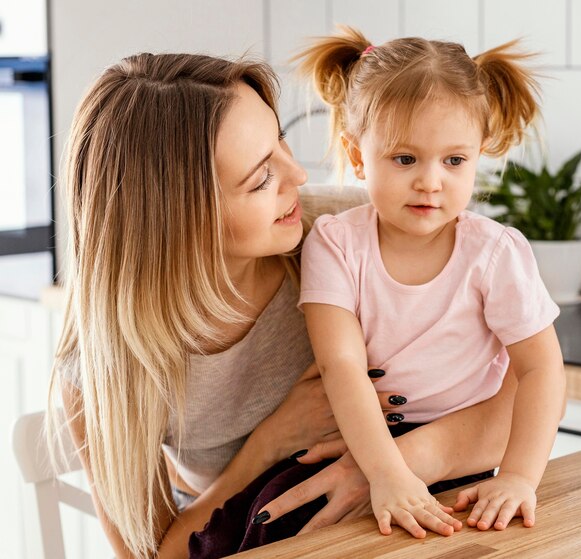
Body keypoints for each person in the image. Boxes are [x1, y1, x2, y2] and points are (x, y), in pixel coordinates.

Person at [47, 51, 519, 559]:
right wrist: (270, 442)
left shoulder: (347, 233)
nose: (297, 175)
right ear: (177, 221)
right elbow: (152, 553)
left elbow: (523, 395)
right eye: (260, 178)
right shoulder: (103, 363)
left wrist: (382, 470)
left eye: (281, 143)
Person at [255, 27, 566, 540]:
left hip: (460, 455)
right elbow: (342, 366)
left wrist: (517, 477)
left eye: (454, 160)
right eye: (405, 159)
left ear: (478, 155)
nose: (430, 181)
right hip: (360, 440)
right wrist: (388, 474)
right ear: (358, 156)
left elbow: (542, 370)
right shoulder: (335, 243)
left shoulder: (495, 253)